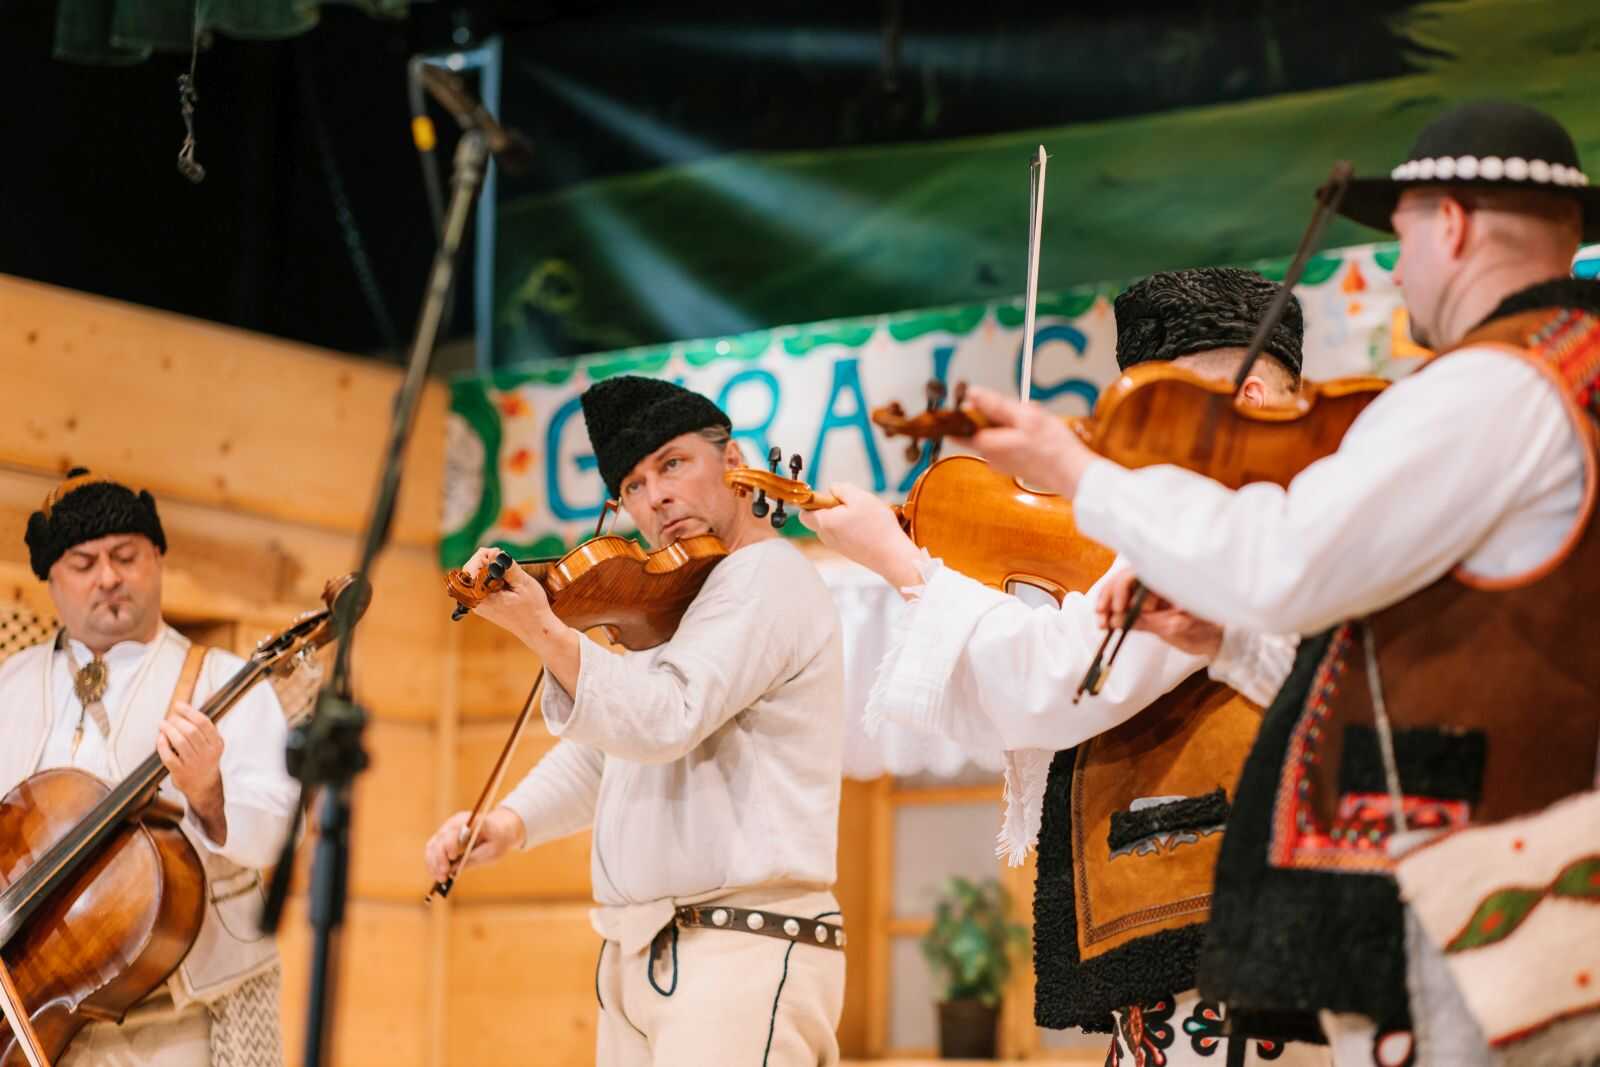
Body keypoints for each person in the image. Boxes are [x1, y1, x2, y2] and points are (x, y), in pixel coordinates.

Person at [949, 99, 1600, 1064]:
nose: (1396, 268)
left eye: (1402, 237)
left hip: (1486, 889)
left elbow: (1284, 562)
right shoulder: (1571, 372)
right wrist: (1228, 640)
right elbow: (1398, 645)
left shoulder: (1497, 385)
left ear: (1453, 225)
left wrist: (1078, 470)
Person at [804, 268, 1324, 1065]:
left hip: (1233, 925)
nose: (1135, 454)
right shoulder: (1279, 511)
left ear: (1248, 396)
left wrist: (902, 564)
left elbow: (1056, 680)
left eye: (1155, 415)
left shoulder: (1233, 519)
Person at [423, 376, 848, 1066]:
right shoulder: (683, 601)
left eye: (672, 464)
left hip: (741, 948)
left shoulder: (766, 576)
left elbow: (664, 719)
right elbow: (609, 751)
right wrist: (509, 822)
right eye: (633, 486)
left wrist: (545, 631)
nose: (655, 497)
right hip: (649, 954)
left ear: (732, 461)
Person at [0, 469, 298, 1067]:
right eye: (83, 563)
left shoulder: (223, 680)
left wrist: (209, 795)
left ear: (157, 559)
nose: (108, 577)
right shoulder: (13, 681)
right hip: (29, 1010)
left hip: (177, 1026)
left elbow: (280, 828)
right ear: (52, 580)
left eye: (125, 556)